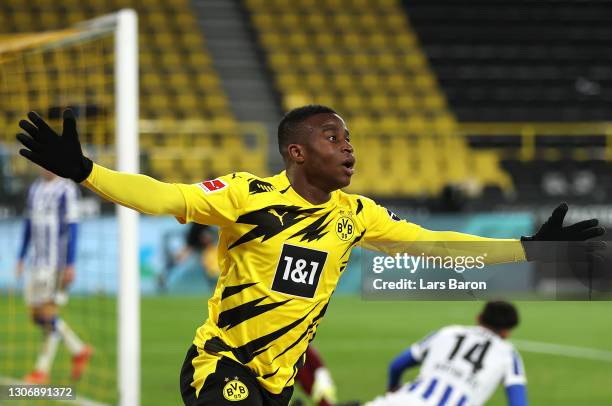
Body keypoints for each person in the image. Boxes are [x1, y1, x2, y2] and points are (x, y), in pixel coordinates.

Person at [15, 105, 604, 404]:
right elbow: (165, 197)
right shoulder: (248, 194)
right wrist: (87, 172)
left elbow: (439, 244)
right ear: (296, 152)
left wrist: (529, 250)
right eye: (332, 137)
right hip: (222, 367)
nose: (347, 147)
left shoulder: (356, 215)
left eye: (348, 138)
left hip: (281, 386)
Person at [364, 301, 526, 406]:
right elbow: (518, 402)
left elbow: (397, 365)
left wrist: (393, 387)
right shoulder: (509, 354)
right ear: (506, 333)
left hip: (399, 401)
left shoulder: (447, 332)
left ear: (478, 318)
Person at [16, 169, 92, 384]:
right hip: (36, 262)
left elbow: (74, 227)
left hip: (56, 264)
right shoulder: (35, 189)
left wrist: (70, 264)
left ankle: (42, 370)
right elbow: (28, 225)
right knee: (36, 315)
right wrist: (21, 257)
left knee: (48, 315)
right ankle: (79, 349)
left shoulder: (66, 189)